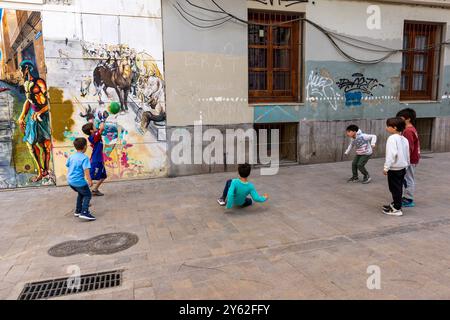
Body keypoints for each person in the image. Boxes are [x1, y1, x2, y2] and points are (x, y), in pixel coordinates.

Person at [17, 60, 52, 183]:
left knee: (45, 146)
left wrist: (41, 112)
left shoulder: (39, 82)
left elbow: (49, 101)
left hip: (43, 116)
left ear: (27, 68)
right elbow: (28, 101)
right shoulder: (26, 83)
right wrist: (22, 115)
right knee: (30, 144)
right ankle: (40, 170)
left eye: (21, 69)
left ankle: (46, 171)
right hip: (32, 115)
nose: (20, 72)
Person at [383, 118, 410, 217]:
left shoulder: (392, 138)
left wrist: (386, 167)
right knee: (398, 188)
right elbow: (408, 153)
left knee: (395, 189)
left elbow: (391, 154)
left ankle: (397, 209)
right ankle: (395, 204)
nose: (386, 128)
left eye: (388, 126)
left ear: (394, 128)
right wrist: (406, 164)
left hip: (394, 169)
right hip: (402, 168)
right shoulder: (404, 139)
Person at [66, 138, 96, 221]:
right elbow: (86, 170)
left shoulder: (71, 156)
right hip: (79, 182)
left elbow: (68, 165)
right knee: (87, 195)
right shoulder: (84, 158)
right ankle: (85, 212)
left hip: (70, 181)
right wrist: (89, 181)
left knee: (81, 193)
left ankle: (78, 211)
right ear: (85, 147)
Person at [396, 108, 420, 208]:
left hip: (409, 160)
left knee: (407, 179)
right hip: (411, 159)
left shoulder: (408, 131)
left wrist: (404, 160)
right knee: (406, 178)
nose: (399, 120)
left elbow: (409, 147)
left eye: (401, 118)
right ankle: (406, 197)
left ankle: (408, 199)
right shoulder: (410, 129)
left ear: (408, 119)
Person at [82, 122, 107, 196]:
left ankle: (95, 190)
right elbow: (102, 128)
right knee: (91, 178)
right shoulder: (93, 137)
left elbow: (100, 131)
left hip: (99, 160)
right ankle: (82, 193)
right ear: (91, 130)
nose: (95, 127)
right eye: (93, 126)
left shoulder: (96, 136)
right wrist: (103, 120)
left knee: (103, 176)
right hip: (96, 160)